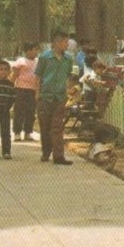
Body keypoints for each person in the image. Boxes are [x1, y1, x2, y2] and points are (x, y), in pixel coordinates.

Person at [35, 30, 74, 165]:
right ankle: (46, 151)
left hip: (60, 96)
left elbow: (68, 76)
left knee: (57, 127)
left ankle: (58, 156)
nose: (67, 45)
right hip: (45, 96)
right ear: (56, 43)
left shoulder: (68, 59)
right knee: (45, 127)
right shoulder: (45, 57)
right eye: (65, 42)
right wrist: (37, 93)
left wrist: (68, 90)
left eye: (67, 42)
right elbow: (38, 76)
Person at [10, 42, 40, 142]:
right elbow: (14, 74)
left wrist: (37, 91)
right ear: (28, 51)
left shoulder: (37, 62)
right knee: (19, 111)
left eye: (37, 50)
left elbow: (38, 77)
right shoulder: (21, 61)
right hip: (21, 89)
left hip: (32, 89)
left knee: (30, 112)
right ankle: (17, 132)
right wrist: (10, 86)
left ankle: (28, 132)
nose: (36, 52)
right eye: (34, 50)